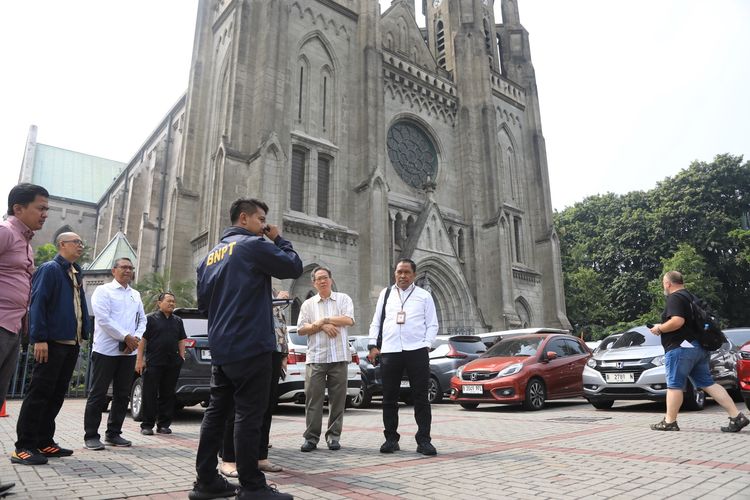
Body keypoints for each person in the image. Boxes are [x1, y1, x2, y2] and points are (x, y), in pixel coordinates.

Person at [191, 198, 302, 500]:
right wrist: (277, 237)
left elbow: (204, 306)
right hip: (251, 343)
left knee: (217, 412)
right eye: (261, 219)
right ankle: (252, 486)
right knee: (249, 415)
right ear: (244, 218)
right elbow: (294, 266)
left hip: (222, 346)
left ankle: (206, 481)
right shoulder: (253, 244)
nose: (264, 225)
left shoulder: (209, 257)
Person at [12, 232, 88, 466]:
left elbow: (79, 306)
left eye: (81, 243)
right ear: (62, 244)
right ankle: (23, 447)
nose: (81, 246)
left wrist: (83, 335)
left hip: (70, 343)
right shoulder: (50, 269)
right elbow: (38, 303)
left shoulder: (75, 272)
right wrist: (39, 338)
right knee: (39, 394)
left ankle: (44, 441)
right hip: (51, 343)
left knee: (55, 395)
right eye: (76, 242)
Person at [649, 271, 748, 432]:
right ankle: (737, 416)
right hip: (699, 347)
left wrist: (659, 328)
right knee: (708, 383)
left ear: (668, 283)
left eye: (663, 283)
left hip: (681, 348)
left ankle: (669, 422)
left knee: (674, 385)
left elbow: (677, 321)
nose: (664, 286)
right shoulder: (691, 297)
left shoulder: (675, 297)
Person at [0, 183, 48, 491]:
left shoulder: (26, 242)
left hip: (12, 330)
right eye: (40, 208)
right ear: (19, 208)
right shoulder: (5, 232)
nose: (45, 214)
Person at [367, 258, 439, 456]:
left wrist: (426, 345)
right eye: (399, 272)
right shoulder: (386, 294)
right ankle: (391, 439)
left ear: (414, 275)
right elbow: (376, 321)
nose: (403, 275)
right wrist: (373, 345)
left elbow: (432, 324)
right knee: (389, 397)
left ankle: (424, 440)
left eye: (407, 272)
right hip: (390, 351)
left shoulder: (424, 296)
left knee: (420, 398)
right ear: (395, 274)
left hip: (416, 351)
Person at [220, 291, 291, 478]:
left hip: (274, 352)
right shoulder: (246, 283)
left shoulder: (276, 293)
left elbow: (281, 325)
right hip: (250, 349)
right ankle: (229, 459)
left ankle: (260, 457)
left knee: (266, 405)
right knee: (237, 407)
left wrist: (284, 353)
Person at [83, 257, 146, 450]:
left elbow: (142, 320)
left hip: (127, 353)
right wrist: (126, 337)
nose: (128, 270)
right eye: (123, 267)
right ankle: (91, 435)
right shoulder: (103, 291)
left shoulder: (135, 294)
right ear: (114, 270)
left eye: (130, 267)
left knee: (122, 394)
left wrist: (134, 339)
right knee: (98, 394)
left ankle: (114, 433)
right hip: (105, 351)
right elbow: (103, 319)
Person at [297, 267, 355, 452]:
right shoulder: (308, 304)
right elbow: (301, 329)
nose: (322, 281)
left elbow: (348, 320)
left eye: (325, 278)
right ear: (313, 283)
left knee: (337, 400)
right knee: (313, 400)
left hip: (339, 356)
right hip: (316, 357)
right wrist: (320, 326)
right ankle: (311, 438)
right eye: (318, 279)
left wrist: (325, 320)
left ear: (331, 279)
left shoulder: (344, 299)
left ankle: (333, 437)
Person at [136, 291, 187, 435]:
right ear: (159, 303)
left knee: (168, 394)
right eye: (168, 301)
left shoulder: (177, 320)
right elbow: (142, 340)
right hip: (154, 362)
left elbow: (181, 339)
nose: (171, 303)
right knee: (149, 393)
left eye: (173, 301)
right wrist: (140, 360)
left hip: (172, 363)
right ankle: (147, 425)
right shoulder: (150, 319)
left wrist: (182, 357)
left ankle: (163, 424)